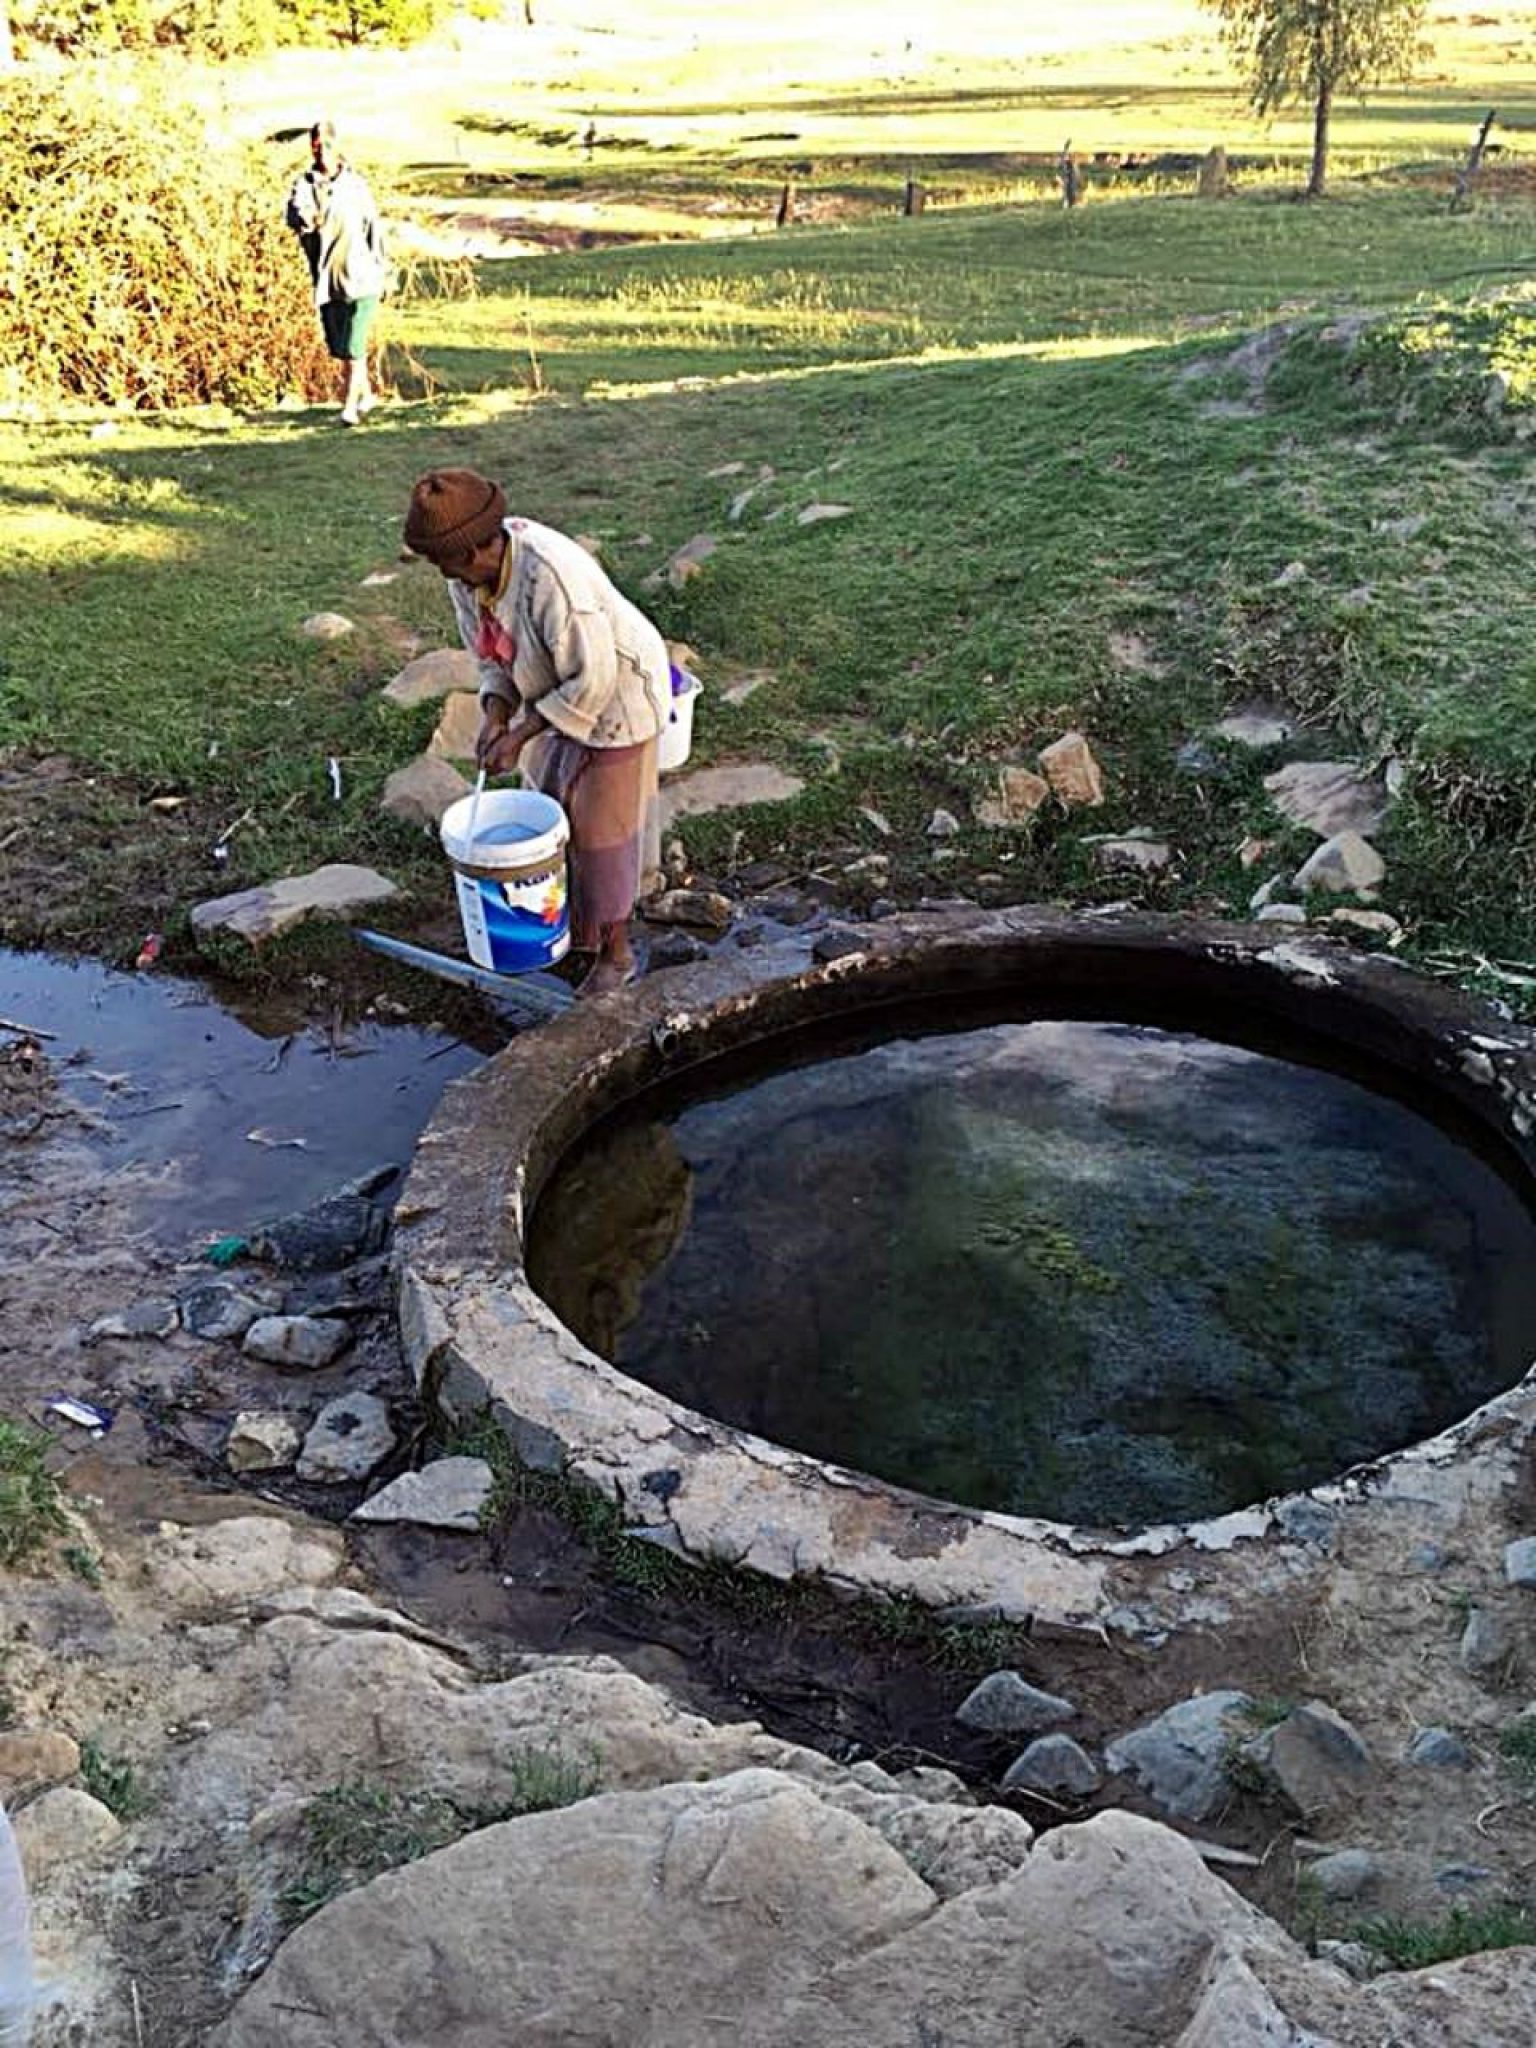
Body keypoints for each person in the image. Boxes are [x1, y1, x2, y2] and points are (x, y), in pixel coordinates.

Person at [402, 469, 670, 997]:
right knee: (550, 798)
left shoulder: (551, 578)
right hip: (551, 685)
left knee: (601, 830)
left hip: (619, 694)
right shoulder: (470, 580)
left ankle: (617, 954)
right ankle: (578, 933)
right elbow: (489, 657)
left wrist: (523, 730)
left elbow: (594, 678)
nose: (440, 573)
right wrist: (497, 715)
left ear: (477, 548)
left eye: (443, 562)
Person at [285, 120, 388, 427]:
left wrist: (383, 270)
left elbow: (374, 230)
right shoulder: (305, 184)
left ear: (336, 145)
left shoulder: (356, 185)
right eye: (316, 145)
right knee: (341, 347)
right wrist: (306, 217)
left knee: (355, 347)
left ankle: (349, 407)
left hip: (362, 278)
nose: (322, 151)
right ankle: (366, 395)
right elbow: (295, 214)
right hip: (329, 282)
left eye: (327, 144)